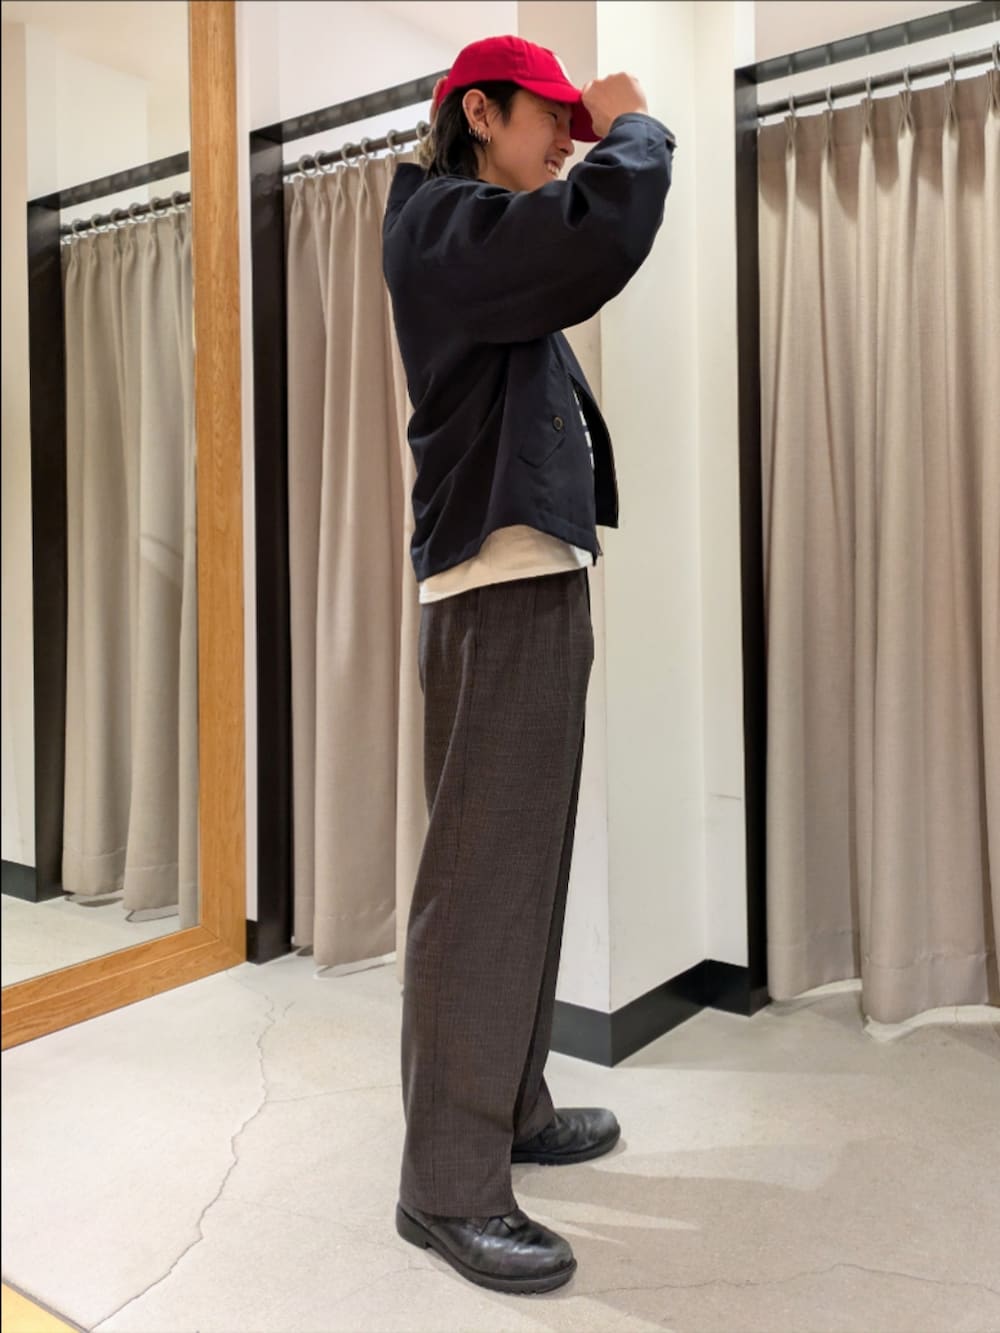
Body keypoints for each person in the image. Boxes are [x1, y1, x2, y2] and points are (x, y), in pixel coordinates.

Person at [382, 33, 675, 1296]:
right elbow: (594, 237)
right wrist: (634, 131)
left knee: (526, 867)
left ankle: (509, 1105)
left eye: (572, 118)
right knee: (480, 883)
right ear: (478, 112)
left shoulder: (476, 236)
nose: (563, 136)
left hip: (529, 576)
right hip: (494, 588)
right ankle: (447, 1186)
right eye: (544, 114)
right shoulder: (444, 225)